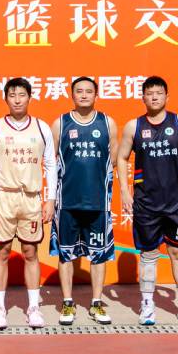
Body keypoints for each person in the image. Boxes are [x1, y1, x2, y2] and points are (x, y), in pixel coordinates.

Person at [117, 76, 178, 326]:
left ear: (167, 96)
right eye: (149, 93)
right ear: (143, 97)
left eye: (158, 93)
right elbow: (121, 158)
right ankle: (147, 304)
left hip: (176, 203)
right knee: (148, 254)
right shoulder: (133, 127)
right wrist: (124, 191)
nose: (154, 97)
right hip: (146, 204)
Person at [0, 77, 57, 329]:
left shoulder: (41, 128)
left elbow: (50, 164)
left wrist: (50, 199)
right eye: (12, 95)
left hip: (32, 198)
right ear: (5, 98)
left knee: (30, 252)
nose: (17, 100)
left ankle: (33, 308)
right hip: (4, 197)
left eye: (21, 95)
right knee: (1, 252)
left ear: (29, 98)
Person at [49, 76, 119, 325]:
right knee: (66, 255)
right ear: (72, 95)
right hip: (67, 203)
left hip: (98, 203)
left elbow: (114, 160)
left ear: (96, 95)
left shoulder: (107, 123)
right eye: (79, 91)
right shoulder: (60, 123)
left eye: (89, 91)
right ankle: (68, 303)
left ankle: (96, 303)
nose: (84, 95)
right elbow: (50, 163)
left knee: (99, 255)